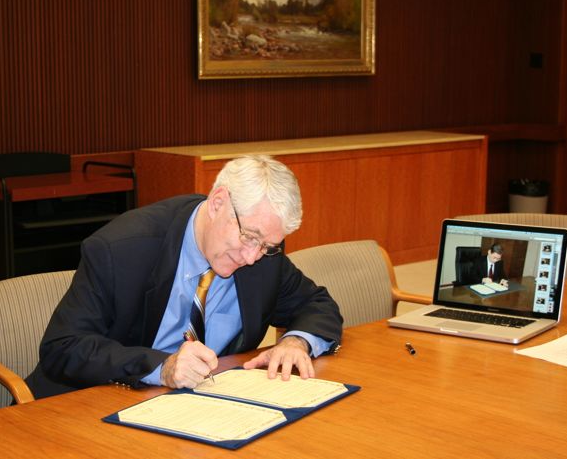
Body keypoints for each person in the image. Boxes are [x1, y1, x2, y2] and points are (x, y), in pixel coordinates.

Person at [25, 155, 343, 399]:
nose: (251, 257)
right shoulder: (120, 250)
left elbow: (317, 303)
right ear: (218, 203)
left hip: (195, 413)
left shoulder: (263, 253)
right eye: (249, 237)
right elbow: (63, 347)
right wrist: (161, 368)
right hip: (91, 405)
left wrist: (296, 342)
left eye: (267, 246)